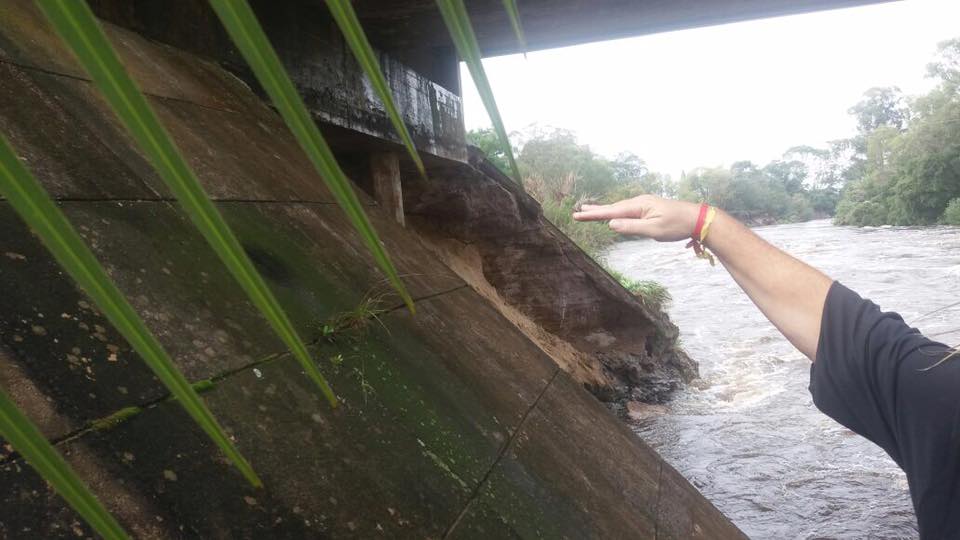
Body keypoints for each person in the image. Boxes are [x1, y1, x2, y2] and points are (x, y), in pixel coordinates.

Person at [573, 195, 960, 539]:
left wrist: (704, 222)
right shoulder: (946, 395)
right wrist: (702, 222)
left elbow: (849, 333)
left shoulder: (946, 396)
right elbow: (848, 332)